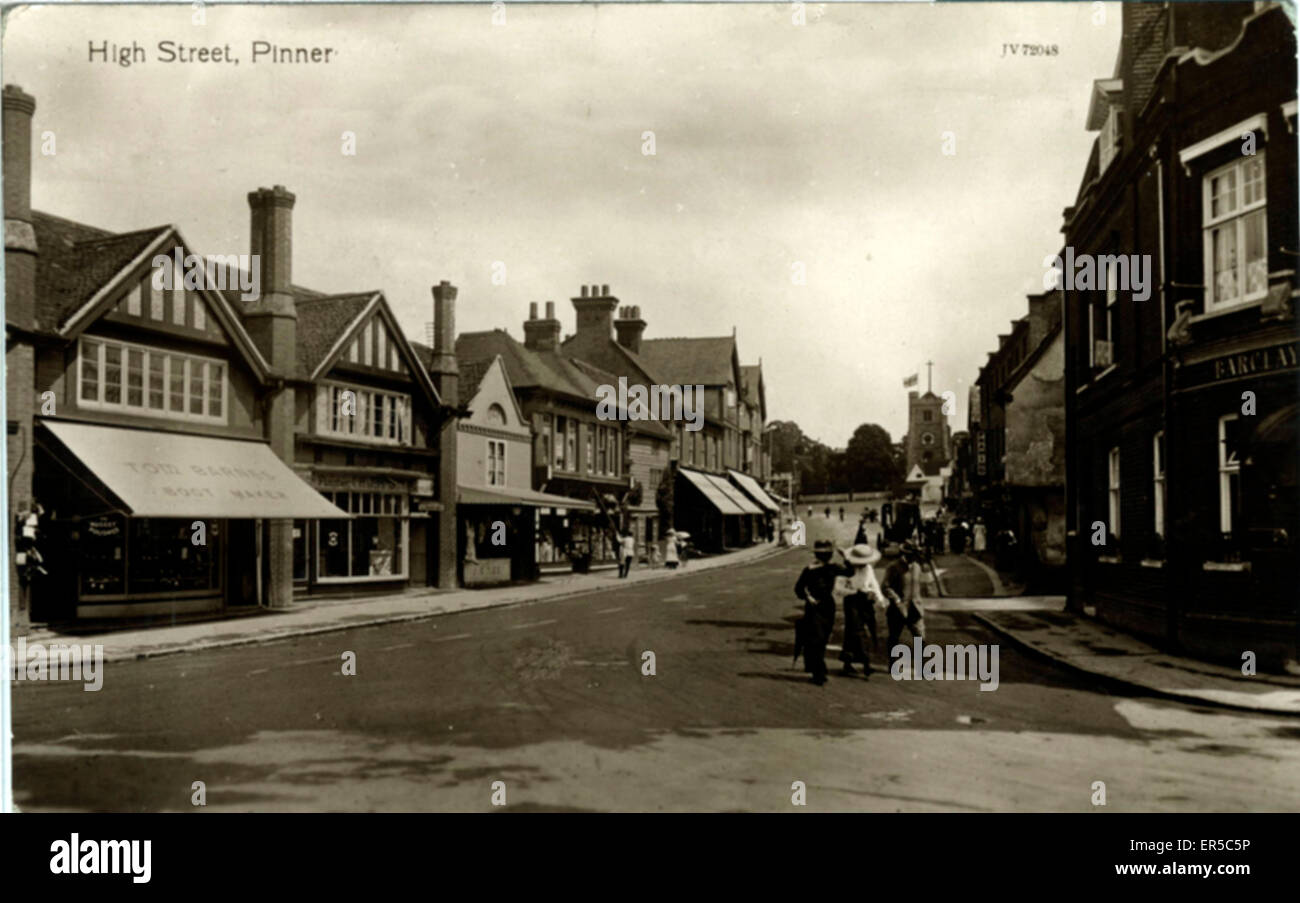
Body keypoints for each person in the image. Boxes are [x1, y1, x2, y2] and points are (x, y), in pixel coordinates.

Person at [794, 539, 842, 686]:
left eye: (827, 554)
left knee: (824, 638)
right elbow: (798, 589)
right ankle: (818, 672)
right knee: (816, 638)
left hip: (828, 606)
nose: (825, 556)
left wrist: (846, 555)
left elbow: (851, 571)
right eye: (822, 554)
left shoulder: (833, 568)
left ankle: (819, 669)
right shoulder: (809, 570)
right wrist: (808, 598)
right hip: (813, 607)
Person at [838, 543, 881, 677]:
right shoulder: (848, 570)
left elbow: (873, 583)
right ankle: (866, 663)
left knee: (866, 629)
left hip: (866, 601)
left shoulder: (868, 568)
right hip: (852, 602)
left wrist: (879, 598)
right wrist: (853, 591)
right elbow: (839, 589)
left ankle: (848, 662)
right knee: (857, 631)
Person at [881, 542, 925, 651]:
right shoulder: (893, 567)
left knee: (920, 639)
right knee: (894, 640)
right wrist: (896, 599)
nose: (914, 557)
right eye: (911, 554)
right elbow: (885, 587)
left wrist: (918, 601)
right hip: (897, 609)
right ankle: (893, 667)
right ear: (904, 554)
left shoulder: (917, 567)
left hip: (915, 609)